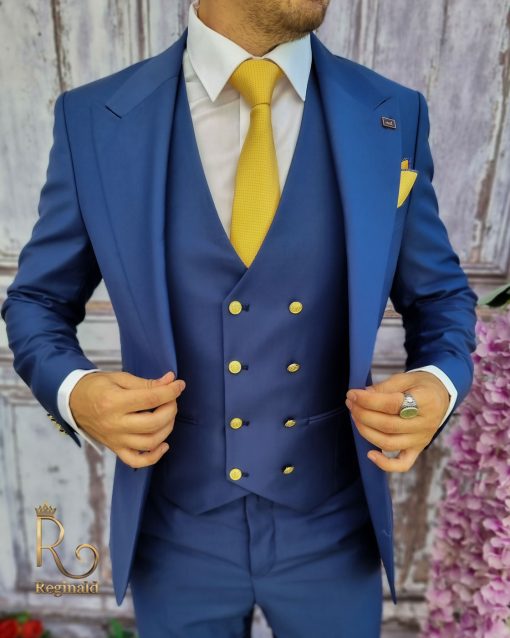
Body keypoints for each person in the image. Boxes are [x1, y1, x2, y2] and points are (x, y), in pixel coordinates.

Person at [1, 0, 478, 636]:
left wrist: (439, 386)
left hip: (334, 525)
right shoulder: (94, 117)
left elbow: (440, 296)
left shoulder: (392, 113)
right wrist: (75, 392)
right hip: (174, 527)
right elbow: (37, 300)